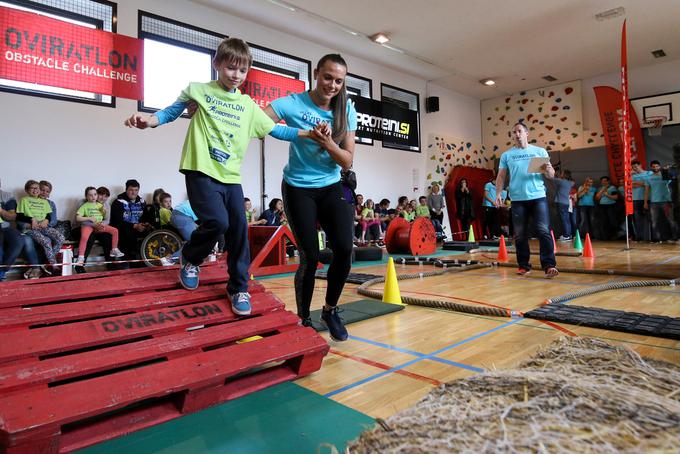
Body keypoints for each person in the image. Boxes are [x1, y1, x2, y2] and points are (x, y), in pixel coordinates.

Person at [125, 37, 312, 315]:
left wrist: (307, 134)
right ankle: (190, 257)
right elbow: (171, 112)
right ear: (217, 65)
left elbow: (276, 130)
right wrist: (149, 121)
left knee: (238, 229)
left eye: (242, 70)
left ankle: (238, 288)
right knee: (217, 221)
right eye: (230, 68)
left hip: (230, 177)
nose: (236, 75)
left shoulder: (248, 106)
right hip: (200, 169)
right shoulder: (199, 91)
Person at [264, 53, 357, 341]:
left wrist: (328, 142)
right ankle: (304, 318)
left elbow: (347, 161)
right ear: (316, 73)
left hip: (330, 187)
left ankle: (330, 310)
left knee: (344, 248)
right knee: (310, 255)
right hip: (297, 187)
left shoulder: (346, 109)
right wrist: (304, 134)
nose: (332, 85)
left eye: (339, 81)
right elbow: (261, 123)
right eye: (327, 77)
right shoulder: (292, 102)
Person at [495, 123, 558, 278]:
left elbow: (550, 176)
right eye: (514, 132)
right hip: (517, 200)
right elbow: (501, 176)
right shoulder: (507, 155)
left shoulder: (539, 151)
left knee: (543, 231)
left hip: (538, 197)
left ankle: (549, 265)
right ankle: (524, 265)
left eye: (519, 131)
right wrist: (498, 194)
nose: (517, 134)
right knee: (520, 234)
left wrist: (550, 170)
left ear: (526, 133)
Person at [16, 180, 64, 271]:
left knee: (60, 237)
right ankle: (52, 265)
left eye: (47, 191)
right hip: (31, 228)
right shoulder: (24, 200)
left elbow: (50, 217)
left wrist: (46, 221)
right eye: (42, 190)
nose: (44, 193)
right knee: (46, 241)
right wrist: (31, 221)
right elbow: (19, 217)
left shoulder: (49, 203)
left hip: (44, 227)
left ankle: (47, 261)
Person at [75, 186, 124, 265]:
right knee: (88, 238)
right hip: (86, 226)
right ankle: (81, 261)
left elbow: (106, 220)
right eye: (101, 195)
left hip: (99, 226)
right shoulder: (83, 203)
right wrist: (93, 224)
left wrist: (100, 225)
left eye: (106, 196)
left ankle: (111, 261)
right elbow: (79, 219)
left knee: (107, 237)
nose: (103, 198)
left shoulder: (104, 206)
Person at [110, 179, 152, 265]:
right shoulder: (118, 202)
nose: (134, 193)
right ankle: (130, 262)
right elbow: (117, 222)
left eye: (136, 190)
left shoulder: (142, 202)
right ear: (126, 190)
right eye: (131, 190)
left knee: (151, 232)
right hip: (124, 229)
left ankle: (147, 260)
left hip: (139, 227)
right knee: (128, 234)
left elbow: (145, 217)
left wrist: (145, 224)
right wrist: (134, 226)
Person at [646, 160, 674, 242]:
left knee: (670, 220)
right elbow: (647, 190)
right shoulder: (649, 178)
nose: (655, 168)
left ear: (659, 166)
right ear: (651, 167)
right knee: (654, 221)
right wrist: (645, 202)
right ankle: (657, 239)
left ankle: (674, 238)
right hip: (654, 202)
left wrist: (666, 171)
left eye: (657, 166)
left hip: (665, 201)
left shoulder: (664, 175)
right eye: (653, 166)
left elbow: (669, 182)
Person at [631, 160, 651, 241]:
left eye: (636, 166)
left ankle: (650, 237)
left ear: (640, 165)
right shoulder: (632, 175)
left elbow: (648, 183)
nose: (635, 168)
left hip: (647, 199)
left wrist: (636, 183)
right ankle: (640, 237)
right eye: (633, 167)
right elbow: (631, 185)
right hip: (635, 199)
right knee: (637, 219)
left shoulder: (648, 173)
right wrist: (642, 183)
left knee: (649, 218)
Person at [595, 176, 619, 240]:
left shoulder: (612, 188)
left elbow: (616, 197)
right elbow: (597, 198)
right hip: (602, 206)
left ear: (608, 181)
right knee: (603, 221)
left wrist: (606, 195)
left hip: (610, 206)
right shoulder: (600, 188)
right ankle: (605, 236)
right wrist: (602, 190)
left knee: (612, 221)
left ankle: (613, 236)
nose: (603, 182)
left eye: (605, 181)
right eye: (602, 181)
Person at [553, 170, 574, 240]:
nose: (561, 174)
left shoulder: (561, 181)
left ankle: (566, 235)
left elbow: (551, 178)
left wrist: (554, 173)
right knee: (566, 219)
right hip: (566, 203)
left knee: (563, 219)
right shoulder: (569, 183)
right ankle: (569, 234)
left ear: (564, 175)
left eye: (562, 173)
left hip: (560, 202)